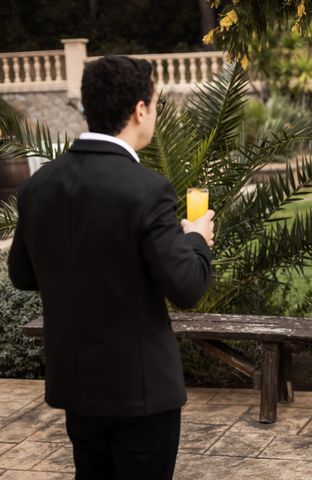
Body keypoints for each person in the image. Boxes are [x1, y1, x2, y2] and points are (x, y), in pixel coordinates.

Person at [7, 55, 214, 479]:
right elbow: (188, 287)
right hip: (141, 394)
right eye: (154, 105)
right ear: (140, 109)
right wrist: (196, 240)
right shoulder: (148, 190)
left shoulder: (38, 186)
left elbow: (22, 275)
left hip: (77, 387)